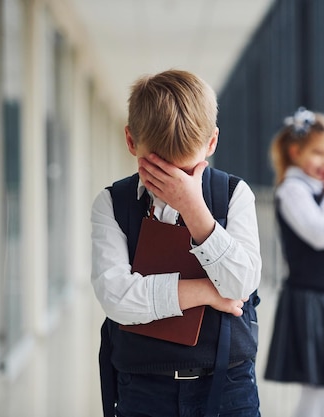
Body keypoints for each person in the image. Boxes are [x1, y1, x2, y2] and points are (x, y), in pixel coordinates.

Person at [90, 69, 262, 417]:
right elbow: (118, 298)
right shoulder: (112, 202)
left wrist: (193, 208)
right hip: (144, 386)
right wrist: (209, 293)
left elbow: (243, 282)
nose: (172, 184)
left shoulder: (233, 195)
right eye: (156, 168)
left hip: (227, 382)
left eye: (184, 171)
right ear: (131, 141)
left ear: (211, 143)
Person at [263, 107, 324, 417]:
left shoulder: (319, 190)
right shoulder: (292, 190)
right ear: (295, 151)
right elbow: (319, 236)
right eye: (319, 153)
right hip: (309, 296)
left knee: (321, 388)